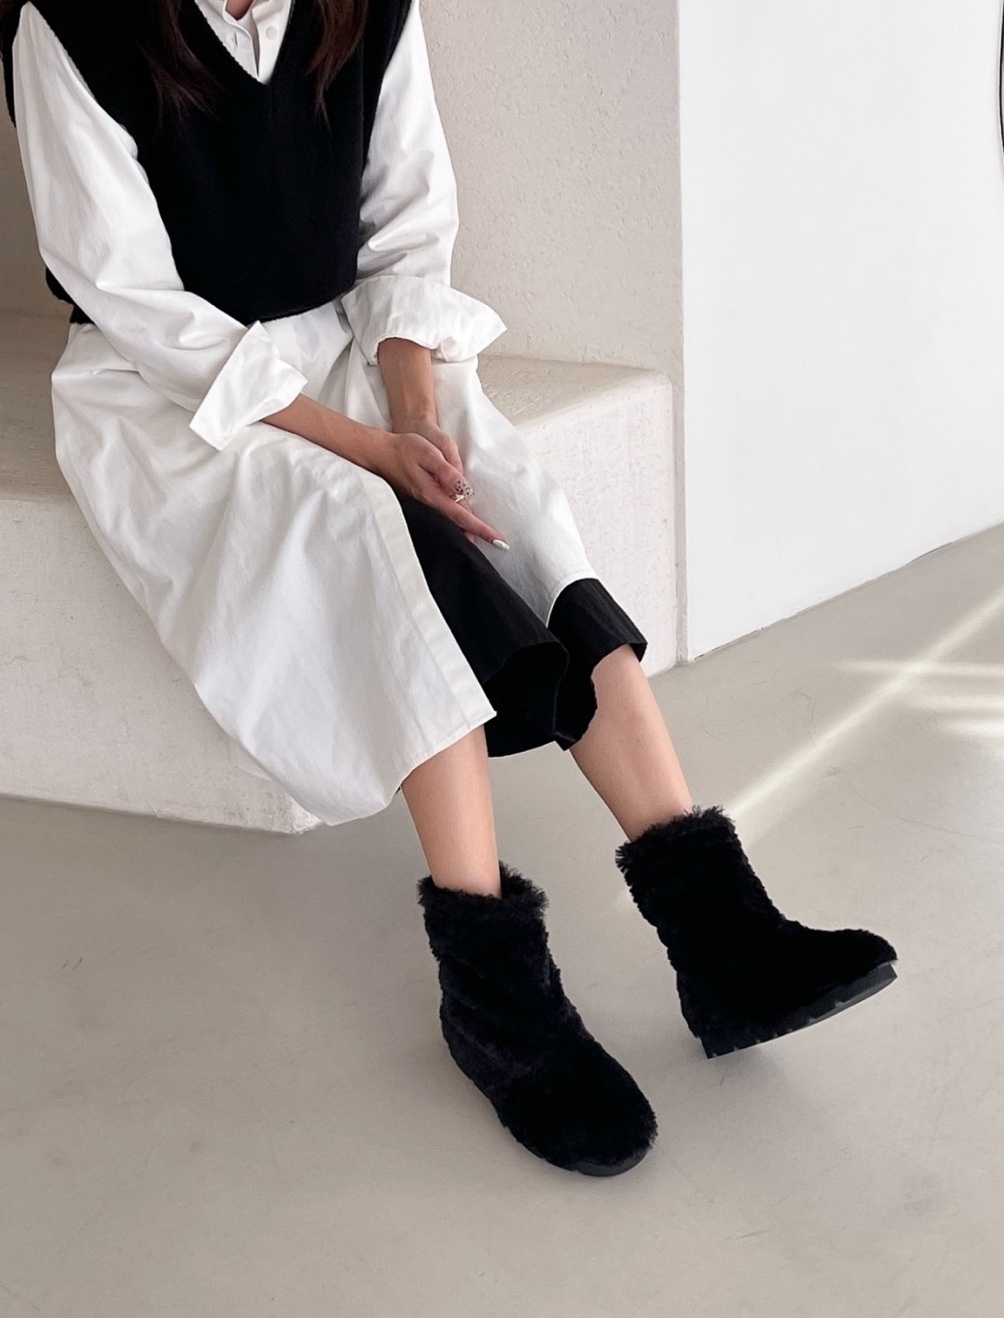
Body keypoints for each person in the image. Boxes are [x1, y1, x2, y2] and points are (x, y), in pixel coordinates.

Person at [1, 0, 898, 1179]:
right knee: (376, 534)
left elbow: (406, 232)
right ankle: (495, 999)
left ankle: (723, 935)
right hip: (170, 398)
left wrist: (416, 417)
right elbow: (134, 302)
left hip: (355, 350)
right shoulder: (69, 22)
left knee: (518, 515)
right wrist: (371, 453)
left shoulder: (366, 7)